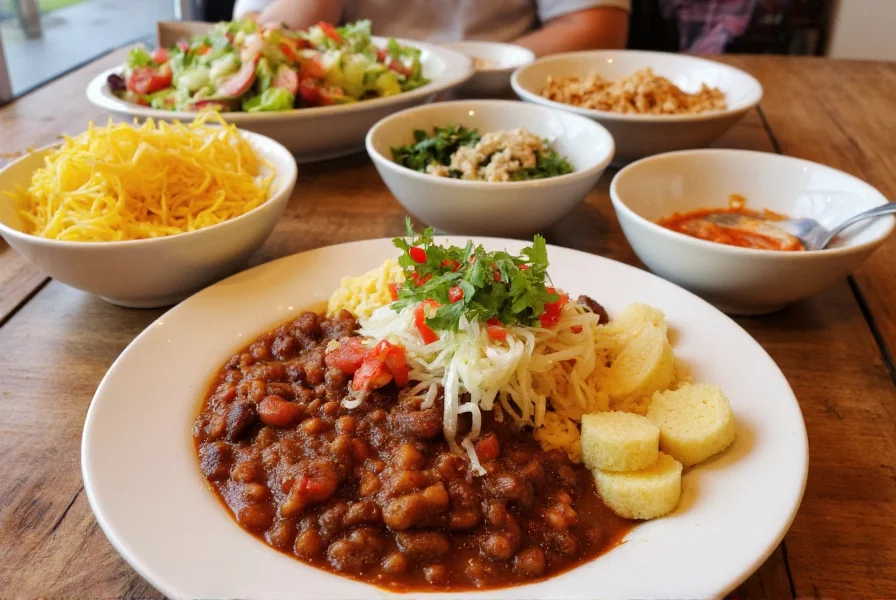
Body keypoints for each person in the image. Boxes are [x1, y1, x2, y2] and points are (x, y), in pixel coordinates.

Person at [232, 0, 631, 56]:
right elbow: (253, 32)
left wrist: (450, 68)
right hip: (332, 123)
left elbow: (596, 26)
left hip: (504, 100)